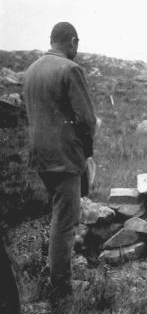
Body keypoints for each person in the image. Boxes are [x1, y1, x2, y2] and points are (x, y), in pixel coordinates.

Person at [24, 22, 96, 298]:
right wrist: (86, 151)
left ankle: (53, 271)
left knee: (57, 215)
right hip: (65, 157)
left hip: (40, 156)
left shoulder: (31, 70)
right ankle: (61, 288)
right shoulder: (70, 69)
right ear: (73, 42)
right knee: (65, 221)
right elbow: (86, 119)